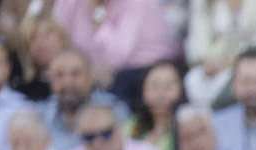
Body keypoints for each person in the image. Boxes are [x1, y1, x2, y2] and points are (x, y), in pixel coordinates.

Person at [50, 0, 182, 109]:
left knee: (110, 88)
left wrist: (96, 14)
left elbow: (117, 56)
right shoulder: (68, 3)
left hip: (145, 69)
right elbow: (57, 41)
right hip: (94, 70)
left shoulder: (138, 3)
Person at [40, 48, 131, 150]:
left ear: (90, 77)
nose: (68, 82)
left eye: (76, 74)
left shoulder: (114, 110)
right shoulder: (39, 116)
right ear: (51, 82)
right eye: (59, 75)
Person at [184, 0, 256, 107]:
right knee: (194, 80)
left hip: (248, 61)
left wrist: (234, 62)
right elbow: (198, 36)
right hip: (213, 61)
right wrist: (206, 61)